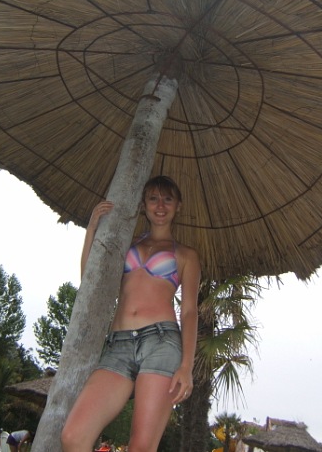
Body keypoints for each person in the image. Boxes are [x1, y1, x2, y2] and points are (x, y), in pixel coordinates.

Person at [61, 175, 201, 452]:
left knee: (141, 447)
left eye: (168, 199)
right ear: (143, 205)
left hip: (161, 343)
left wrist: (186, 366)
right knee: (73, 437)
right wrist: (92, 229)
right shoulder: (127, 244)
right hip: (118, 345)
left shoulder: (186, 255)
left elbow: (189, 312)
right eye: (153, 199)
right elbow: (91, 281)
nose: (160, 205)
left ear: (178, 206)